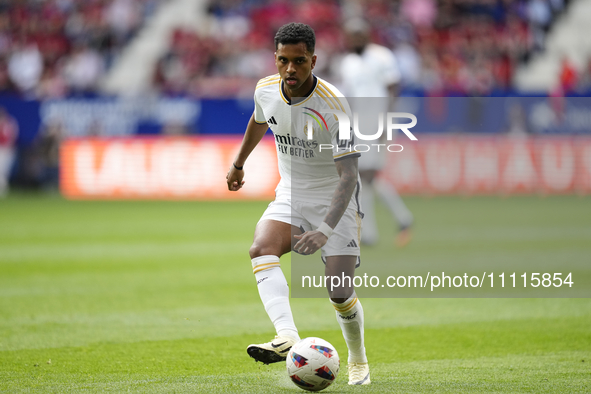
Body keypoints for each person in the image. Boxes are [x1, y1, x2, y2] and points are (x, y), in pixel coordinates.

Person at [225, 22, 370, 385]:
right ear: (275, 59)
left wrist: (323, 230)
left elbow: (349, 177)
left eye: (300, 61)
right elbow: (259, 121)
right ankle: (287, 336)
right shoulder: (266, 89)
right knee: (261, 248)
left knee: (339, 291)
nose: (290, 69)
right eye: (283, 60)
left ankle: (358, 359)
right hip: (290, 192)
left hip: (335, 196)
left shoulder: (335, 105)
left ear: (314, 60)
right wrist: (239, 163)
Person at [338, 18, 414, 247]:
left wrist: (386, 122)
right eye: (352, 36)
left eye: (360, 35)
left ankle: (370, 232)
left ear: (367, 35)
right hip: (359, 124)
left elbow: (393, 89)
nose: (356, 40)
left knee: (365, 175)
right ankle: (402, 218)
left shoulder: (382, 57)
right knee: (365, 177)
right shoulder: (347, 62)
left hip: (378, 122)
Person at [0, 107, 18, 196]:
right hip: (1, 149)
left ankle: (3, 190)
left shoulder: (10, 123)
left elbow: (13, 136)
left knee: (4, 171)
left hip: (7, 150)